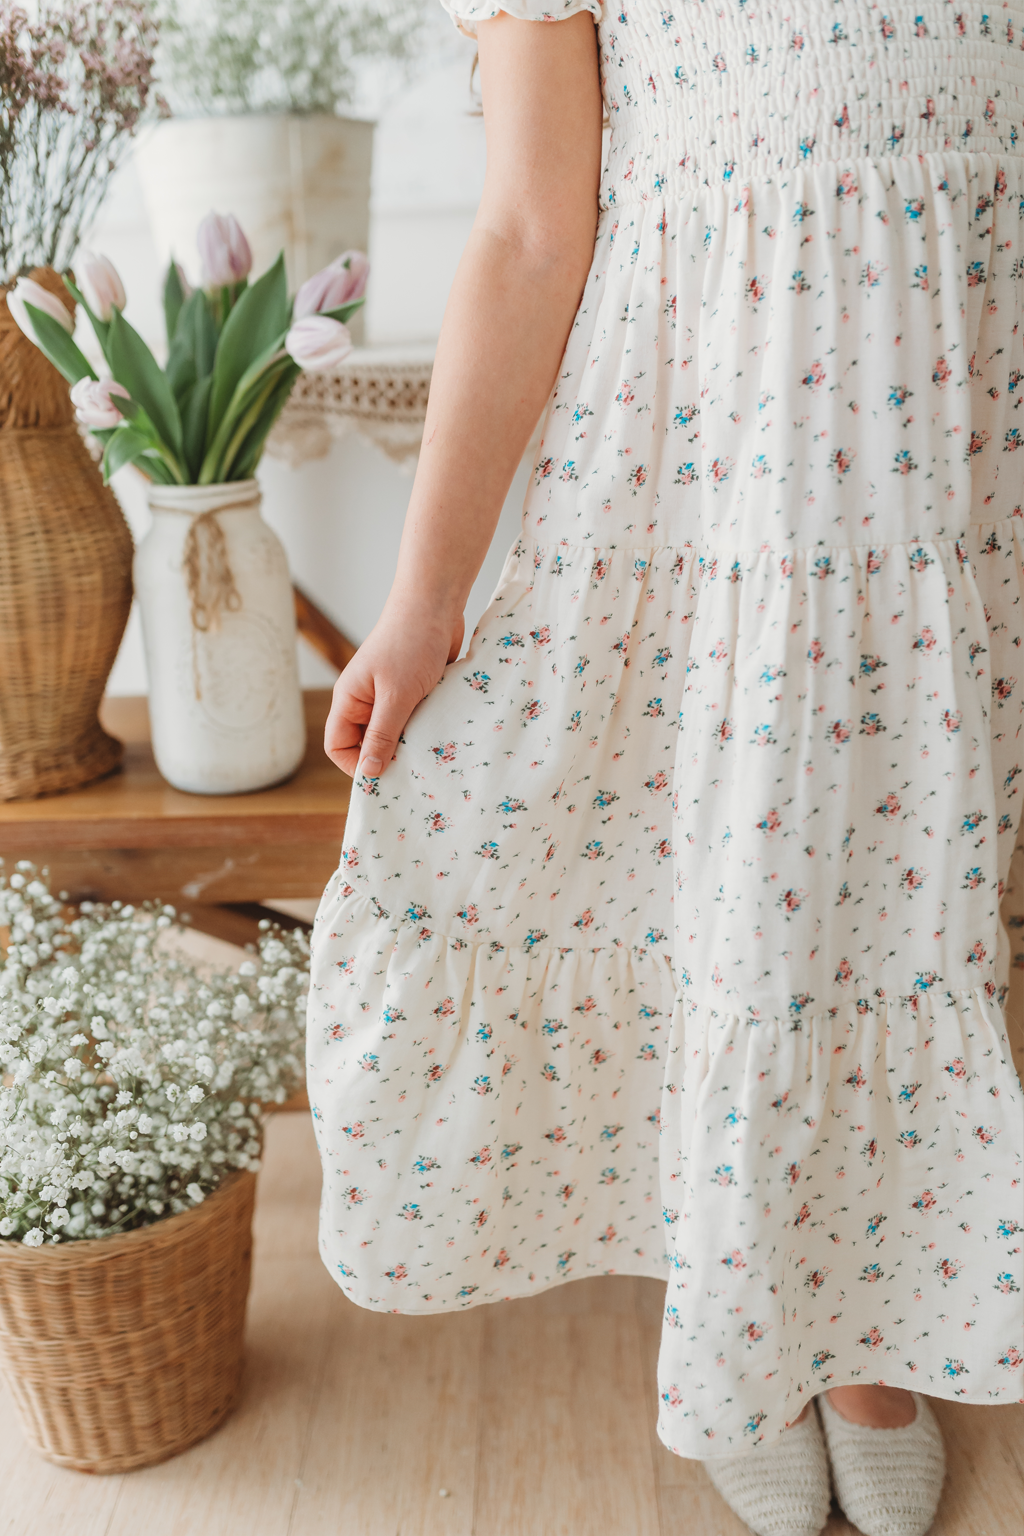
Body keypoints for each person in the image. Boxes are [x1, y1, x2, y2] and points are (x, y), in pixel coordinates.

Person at [307, 4, 1023, 1533]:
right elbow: (522, 224)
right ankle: (759, 1330)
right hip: (723, 451)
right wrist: (424, 603)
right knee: (747, 895)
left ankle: (868, 1314)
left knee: (911, 894)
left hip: (964, 433)